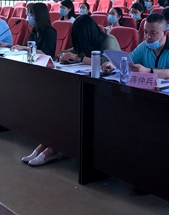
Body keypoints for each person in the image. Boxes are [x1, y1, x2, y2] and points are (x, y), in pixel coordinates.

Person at [23, 15, 120, 166]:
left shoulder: (108, 40)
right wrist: (64, 55)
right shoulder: (84, 43)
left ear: (88, 33)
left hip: (106, 92)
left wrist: (78, 58)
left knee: (70, 108)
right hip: (86, 85)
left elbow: (107, 62)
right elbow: (64, 52)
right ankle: (47, 144)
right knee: (59, 103)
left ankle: (53, 149)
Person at [102, 13, 169, 79]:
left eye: (153, 33)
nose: (148, 37)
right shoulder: (144, 45)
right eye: (145, 32)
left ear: (164, 33)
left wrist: (148, 71)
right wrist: (114, 65)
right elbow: (129, 61)